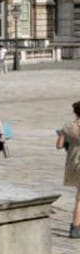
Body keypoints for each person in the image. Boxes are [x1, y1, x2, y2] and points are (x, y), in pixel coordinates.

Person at [55, 101, 80, 238]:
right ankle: (76, 227)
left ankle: (76, 227)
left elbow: (59, 145)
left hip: (73, 163)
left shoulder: (67, 126)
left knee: (79, 198)